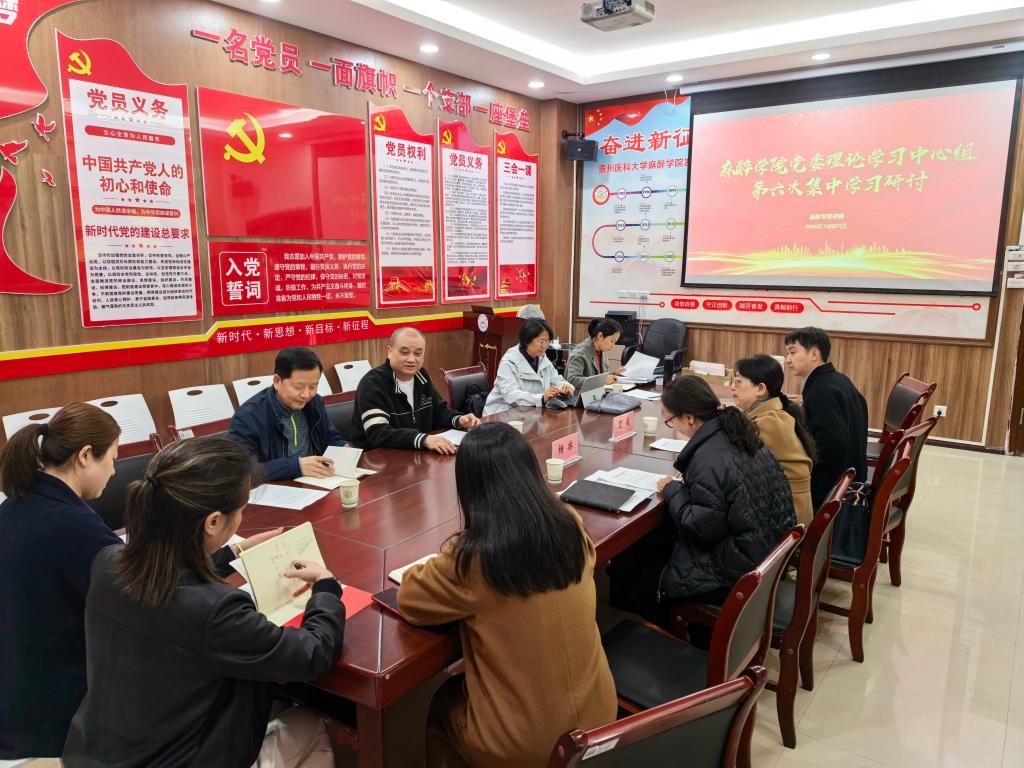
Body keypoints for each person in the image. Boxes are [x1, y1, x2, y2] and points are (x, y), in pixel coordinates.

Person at [63, 436, 345, 768]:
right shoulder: (217, 610)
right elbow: (312, 654)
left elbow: (169, 580)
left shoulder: (109, 561)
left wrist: (232, 553)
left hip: (98, 752)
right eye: (241, 510)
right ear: (213, 522)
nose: (241, 517)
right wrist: (326, 588)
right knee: (314, 723)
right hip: (173, 759)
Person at [398, 423, 617, 768]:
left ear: (470, 486)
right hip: (600, 717)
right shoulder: (570, 523)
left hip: (529, 745)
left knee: (443, 703)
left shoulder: (474, 557)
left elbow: (410, 598)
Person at [608, 375, 796, 627]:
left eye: (670, 420)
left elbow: (701, 529)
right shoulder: (737, 432)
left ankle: (662, 633)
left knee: (630, 569)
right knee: (651, 543)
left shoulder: (709, 457)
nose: (672, 426)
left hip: (735, 570)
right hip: (764, 549)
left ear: (689, 418)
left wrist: (673, 489)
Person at [0, 404, 121, 759]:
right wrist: (225, 556)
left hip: (16, 693)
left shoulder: (16, 504)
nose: (114, 471)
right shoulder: (73, 526)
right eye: (112, 459)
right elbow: (141, 590)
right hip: (56, 717)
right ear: (85, 455)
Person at [351, 327, 480, 454]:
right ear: (389, 351)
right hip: (376, 460)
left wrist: (459, 419)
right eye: (404, 352)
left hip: (415, 456)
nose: (411, 360)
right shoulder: (372, 383)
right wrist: (423, 439)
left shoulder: (421, 376)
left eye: (418, 353)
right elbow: (378, 433)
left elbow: (440, 411)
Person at [229, 346, 349, 482]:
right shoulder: (248, 416)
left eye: (313, 386)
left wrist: (343, 447)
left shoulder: (314, 402)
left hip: (317, 482)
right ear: (277, 381)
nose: (306, 395)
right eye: (298, 387)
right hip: (276, 488)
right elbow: (242, 471)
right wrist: (296, 466)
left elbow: (329, 436)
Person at [784, 327, 869, 509]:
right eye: (787, 353)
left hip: (834, 489)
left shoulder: (821, 390)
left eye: (792, 352)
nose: (787, 360)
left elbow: (830, 446)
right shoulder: (838, 379)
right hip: (852, 477)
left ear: (814, 354)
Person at [731, 354, 816, 524]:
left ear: (760, 389)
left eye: (738, 382)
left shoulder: (769, 422)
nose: (732, 387)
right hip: (786, 510)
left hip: (787, 519)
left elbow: (731, 461)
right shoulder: (773, 414)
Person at [482, 318, 573, 416]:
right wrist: (541, 398)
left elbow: (556, 380)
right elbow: (511, 395)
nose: (544, 346)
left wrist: (564, 388)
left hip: (530, 413)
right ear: (526, 340)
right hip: (501, 414)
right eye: (541, 342)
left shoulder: (542, 357)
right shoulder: (509, 361)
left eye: (547, 341)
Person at [565, 317, 627, 389]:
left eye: (615, 342)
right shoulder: (580, 353)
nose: (613, 345)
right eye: (612, 341)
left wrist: (614, 374)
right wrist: (601, 381)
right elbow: (572, 380)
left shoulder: (601, 350)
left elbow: (599, 376)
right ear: (600, 336)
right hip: (579, 395)